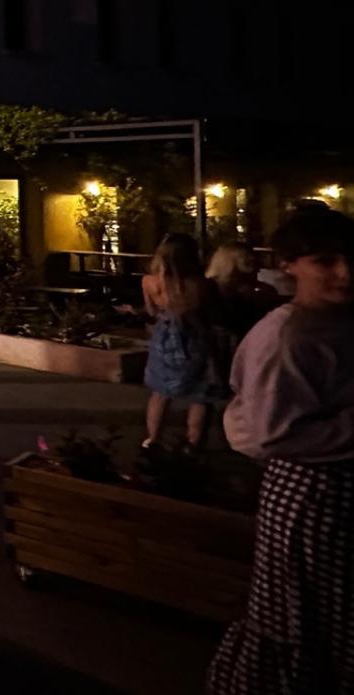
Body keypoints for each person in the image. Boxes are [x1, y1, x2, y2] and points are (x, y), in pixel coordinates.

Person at [209, 206, 354, 694]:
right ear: (290, 264)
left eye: (350, 258)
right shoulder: (286, 335)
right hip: (314, 494)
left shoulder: (334, 320)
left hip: (330, 492)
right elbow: (273, 434)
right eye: (325, 261)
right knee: (307, 624)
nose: (344, 273)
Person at [140, 233, 227, 447]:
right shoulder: (202, 285)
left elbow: (151, 311)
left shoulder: (149, 282)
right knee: (201, 395)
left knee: (160, 392)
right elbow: (214, 313)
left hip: (165, 336)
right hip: (197, 336)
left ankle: (153, 439)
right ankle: (193, 443)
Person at [207, 242, 281, 340]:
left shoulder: (260, 288)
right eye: (246, 255)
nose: (252, 258)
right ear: (229, 259)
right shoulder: (212, 288)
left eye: (253, 255)